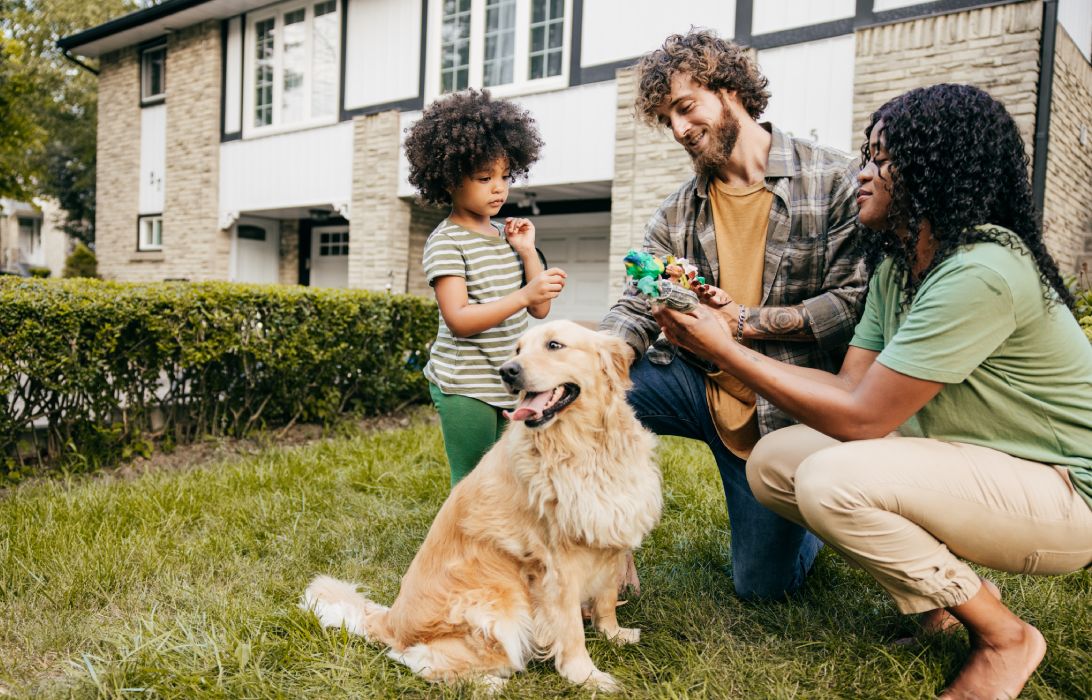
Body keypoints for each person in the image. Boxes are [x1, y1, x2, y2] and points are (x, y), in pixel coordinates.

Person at [653, 83, 1092, 699]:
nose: (861, 174)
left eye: (882, 161)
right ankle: (947, 599)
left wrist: (726, 349)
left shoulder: (982, 271)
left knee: (831, 479)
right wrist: (733, 338)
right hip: (980, 466)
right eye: (866, 156)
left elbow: (861, 420)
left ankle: (1005, 638)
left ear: (932, 169)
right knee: (777, 462)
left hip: (1065, 492)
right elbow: (848, 387)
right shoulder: (901, 264)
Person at [600, 29, 868, 599]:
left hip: (785, 411)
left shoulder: (835, 181)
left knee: (762, 589)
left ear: (729, 90)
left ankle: (807, 516)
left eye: (685, 107)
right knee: (592, 392)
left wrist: (740, 323)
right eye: (666, 119)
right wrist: (608, 360)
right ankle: (602, 540)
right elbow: (634, 299)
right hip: (697, 385)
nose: (678, 130)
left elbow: (852, 302)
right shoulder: (679, 210)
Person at [405, 90, 567, 486]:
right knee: (473, 481)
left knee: (510, 476)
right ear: (448, 179)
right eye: (484, 178)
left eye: (505, 177)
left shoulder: (504, 235)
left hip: (508, 378)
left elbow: (539, 312)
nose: (498, 188)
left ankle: (501, 545)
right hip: (466, 384)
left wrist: (527, 252)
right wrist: (524, 296)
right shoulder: (446, 242)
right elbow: (459, 320)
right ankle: (460, 546)